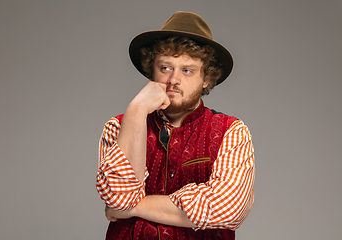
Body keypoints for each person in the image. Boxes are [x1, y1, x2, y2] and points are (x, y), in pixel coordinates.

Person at [96, 11, 255, 240]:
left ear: (206, 79)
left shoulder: (232, 132)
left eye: (187, 70)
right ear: (152, 72)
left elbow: (227, 209)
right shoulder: (118, 126)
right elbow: (120, 198)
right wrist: (137, 109)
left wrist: (132, 209)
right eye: (165, 68)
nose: (173, 80)